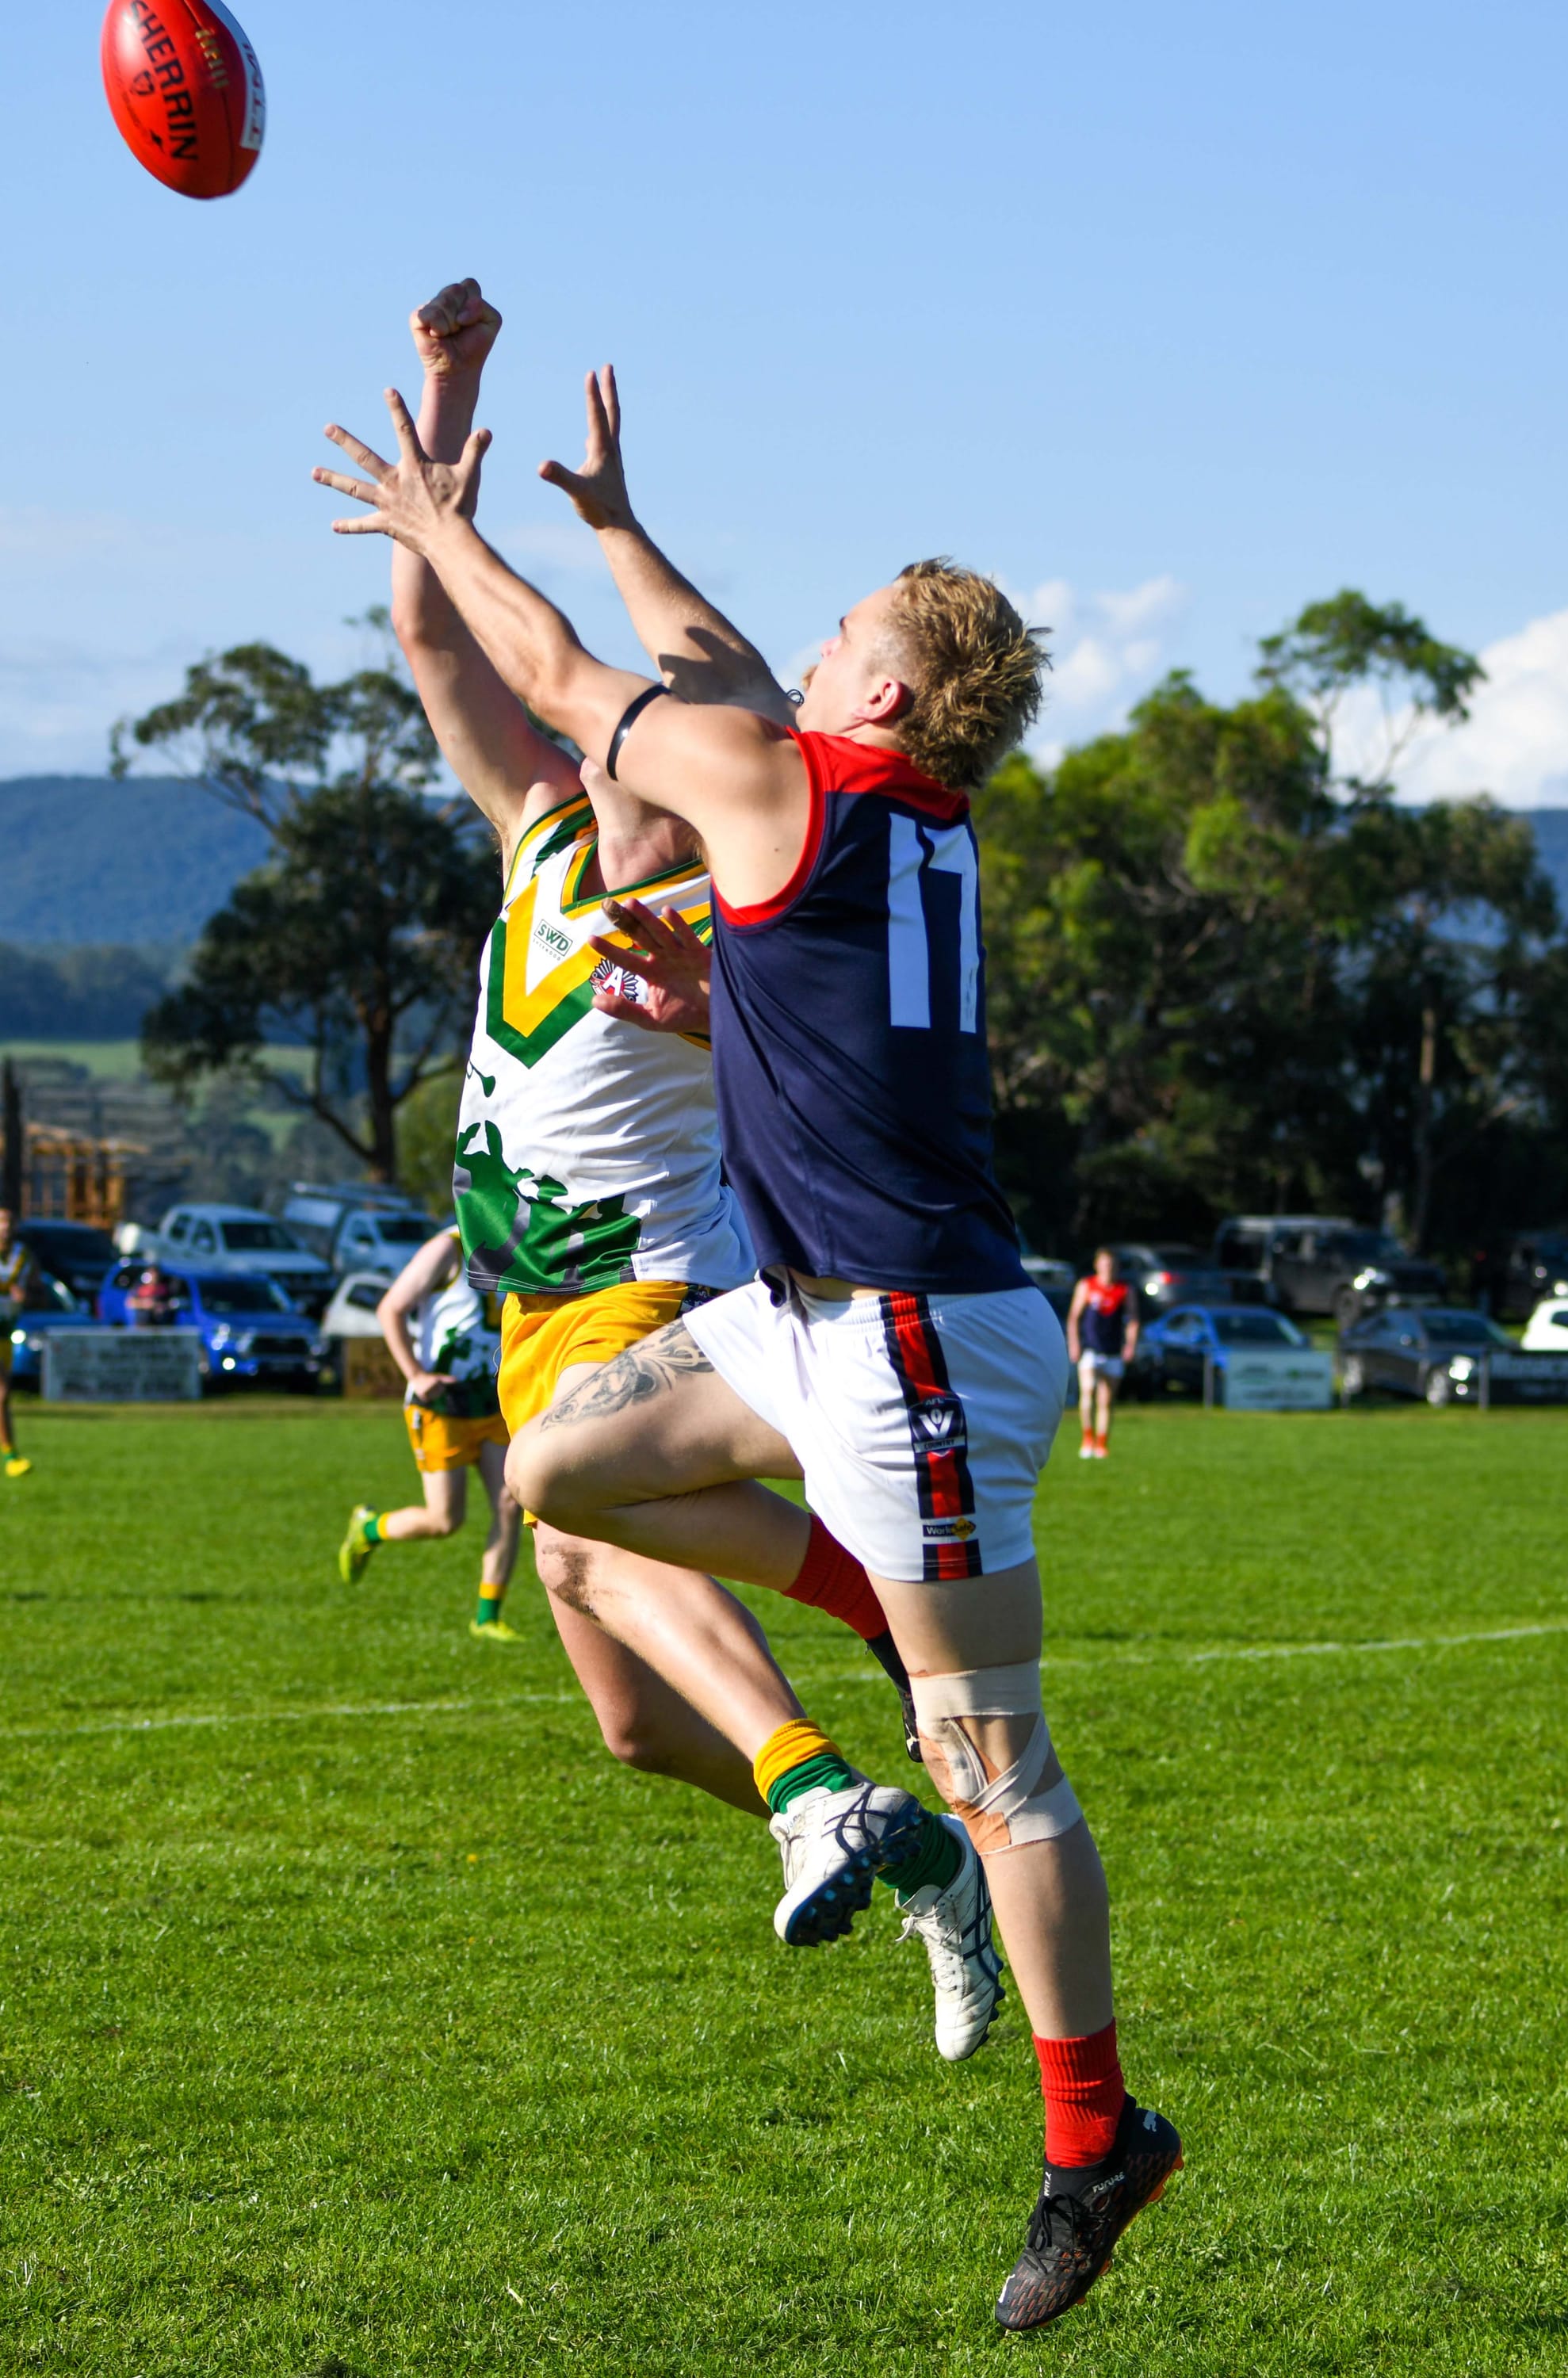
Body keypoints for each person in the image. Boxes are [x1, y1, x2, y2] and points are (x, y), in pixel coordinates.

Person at [312, 350, 1182, 2325]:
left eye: (833, 632)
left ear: (870, 690)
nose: (797, 647)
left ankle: (1092, 2131)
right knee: (556, 1478)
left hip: (916, 1353)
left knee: (996, 1771)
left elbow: (563, 676)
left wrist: (448, 526)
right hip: (816, 1320)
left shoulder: (787, 778)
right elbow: (836, 1009)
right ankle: (869, 1616)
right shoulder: (890, 810)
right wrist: (727, 1019)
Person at [368, 282, 1002, 2054]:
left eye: (649, 720)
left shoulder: (716, 898)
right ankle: (912, 1848)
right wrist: (450, 394)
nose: (593, 734)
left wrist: (618, 558)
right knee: (638, 1729)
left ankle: (816, 1779)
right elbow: (435, 641)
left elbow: (691, 672)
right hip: (527, 1311)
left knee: (576, 1537)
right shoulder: (543, 830)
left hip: (643, 1291)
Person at [338, 1221, 523, 1639]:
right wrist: (417, 1374)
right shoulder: (448, 1247)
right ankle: (368, 1528)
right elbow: (391, 1308)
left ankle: (487, 1617)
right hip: (440, 1404)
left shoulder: (520, 1246)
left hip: (489, 1399)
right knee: (444, 1520)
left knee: (510, 1503)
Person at [1066, 1249, 1139, 1460]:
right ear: (1097, 1265)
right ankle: (1087, 1438)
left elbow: (1133, 1319)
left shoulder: (1124, 1289)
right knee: (1088, 1390)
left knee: (1106, 1400)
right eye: (1105, 1264)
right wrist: (1074, 1343)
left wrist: (1130, 1345)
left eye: (1112, 1264)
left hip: (1113, 1349)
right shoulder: (1087, 1286)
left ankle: (1102, 1443)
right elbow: (1074, 1317)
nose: (1109, 1268)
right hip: (1090, 1348)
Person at [0, 1206, 39, 1477]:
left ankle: (11, 1456)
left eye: (8, 1222)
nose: (4, 1227)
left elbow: (41, 1294)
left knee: (3, 1398)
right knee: (0, 1391)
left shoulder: (24, 1257)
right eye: (0, 1222)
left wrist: (27, 1296)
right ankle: (12, 1457)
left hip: (5, 1330)